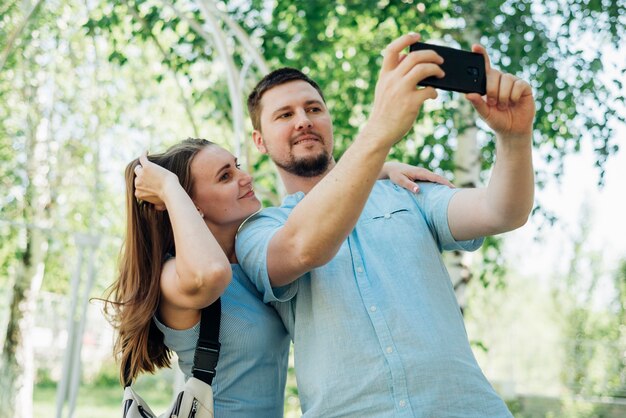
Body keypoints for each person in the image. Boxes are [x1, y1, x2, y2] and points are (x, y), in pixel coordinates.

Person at [235, 33, 535, 417]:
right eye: (284, 115)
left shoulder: (405, 190)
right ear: (259, 142)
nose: (303, 121)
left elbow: (501, 212)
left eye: (313, 109)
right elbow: (303, 248)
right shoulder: (260, 230)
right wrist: (380, 131)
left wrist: (514, 137)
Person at [103, 136, 451, 416]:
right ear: (191, 204)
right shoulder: (173, 278)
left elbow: (316, 212)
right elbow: (211, 273)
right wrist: (168, 187)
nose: (245, 177)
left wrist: (379, 169)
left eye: (236, 166)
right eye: (225, 176)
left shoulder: (255, 264)